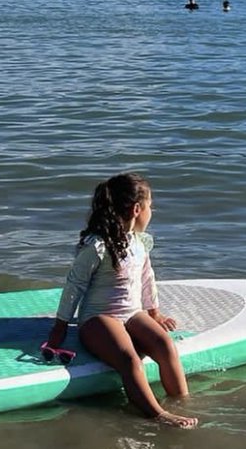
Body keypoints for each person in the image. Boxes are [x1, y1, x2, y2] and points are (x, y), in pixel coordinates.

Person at [45, 172, 197, 428]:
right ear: (137, 209)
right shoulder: (97, 246)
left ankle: (182, 401)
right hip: (99, 317)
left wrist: (154, 312)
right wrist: (59, 327)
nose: (153, 211)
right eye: (151, 206)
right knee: (129, 360)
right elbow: (75, 285)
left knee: (165, 346)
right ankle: (157, 414)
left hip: (133, 313)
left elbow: (147, 277)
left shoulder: (140, 242)